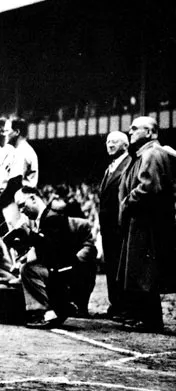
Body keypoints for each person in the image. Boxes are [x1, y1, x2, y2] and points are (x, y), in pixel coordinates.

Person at [116, 116, 176, 333]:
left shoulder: (151, 153)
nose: (130, 131)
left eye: (135, 128)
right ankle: (147, 318)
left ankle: (149, 320)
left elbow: (148, 187)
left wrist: (127, 201)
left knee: (144, 272)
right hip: (148, 221)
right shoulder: (151, 153)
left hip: (145, 221)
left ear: (150, 133)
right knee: (144, 272)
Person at [11, 187, 97, 329]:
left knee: (28, 270)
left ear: (33, 198)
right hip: (59, 270)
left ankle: (43, 312)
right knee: (24, 270)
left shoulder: (53, 217)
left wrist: (28, 234)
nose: (21, 210)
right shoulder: (44, 219)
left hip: (65, 272)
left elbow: (52, 249)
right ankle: (56, 308)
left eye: (22, 205)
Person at [97, 131, 131, 320]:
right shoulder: (110, 167)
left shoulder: (129, 165)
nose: (110, 145)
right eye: (108, 141)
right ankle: (116, 305)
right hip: (107, 227)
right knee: (111, 266)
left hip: (119, 226)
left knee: (120, 267)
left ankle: (125, 306)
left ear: (125, 145)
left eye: (114, 142)